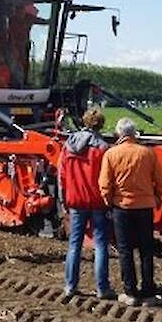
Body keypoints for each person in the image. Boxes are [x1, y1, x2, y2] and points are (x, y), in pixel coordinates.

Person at [99, 117, 162, 307]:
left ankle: (130, 292)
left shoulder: (111, 154)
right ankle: (148, 292)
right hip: (145, 207)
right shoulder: (148, 153)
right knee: (146, 249)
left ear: (119, 133)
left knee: (125, 249)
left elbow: (104, 184)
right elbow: (161, 181)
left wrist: (108, 200)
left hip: (122, 207)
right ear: (134, 133)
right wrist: (157, 196)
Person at [59, 108, 116, 300]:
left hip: (75, 200)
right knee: (100, 245)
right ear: (101, 124)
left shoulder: (69, 145)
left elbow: (62, 175)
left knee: (74, 244)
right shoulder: (103, 148)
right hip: (97, 201)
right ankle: (102, 288)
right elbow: (108, 178)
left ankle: (70, 286)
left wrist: (63, 199)